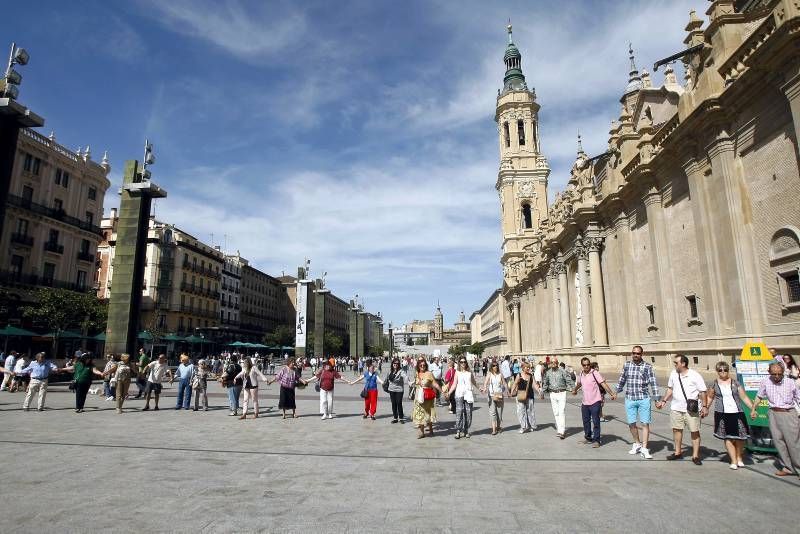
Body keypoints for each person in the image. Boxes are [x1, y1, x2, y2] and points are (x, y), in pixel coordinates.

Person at [749, 362, 800, 477]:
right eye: (774, 374)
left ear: (783, 372)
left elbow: (799, 397)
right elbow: (759, 396)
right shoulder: (765, 381)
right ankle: (788, 467)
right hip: (773, 413)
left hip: (788, 413)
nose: (777, 376)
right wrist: (753, 409)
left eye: (779, 374)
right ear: (769, 373)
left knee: (794, 443)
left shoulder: (790, 382)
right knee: (779, 442)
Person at [656, 354, 708, 465]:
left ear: (683, 364)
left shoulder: (695, 375)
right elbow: (670, 389)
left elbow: (703, 391)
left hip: (691, 409)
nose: (674, 364)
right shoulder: (673, 374)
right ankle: (678, 452)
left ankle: (695, 456)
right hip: (676, 407)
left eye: (676, 363)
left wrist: (704, 406)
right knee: (676, 430)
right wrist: (664, 400)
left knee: (694, 431)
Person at [706, 361, 754, 470]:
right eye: (720, 370)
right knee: (727, 437)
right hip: (722, 413)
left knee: (741, 437)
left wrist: (753, 408)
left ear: (728, 370)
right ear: (717, 371)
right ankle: (733, 460)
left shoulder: (736, 383)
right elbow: (710, 397)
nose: (723, 372)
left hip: (737, 412)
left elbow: (744, 397)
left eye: (725, 370)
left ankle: (739, 457)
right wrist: (705, 408)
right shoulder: (713, 384)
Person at [616, 345, 658, 459]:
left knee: (645, 423)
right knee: (631, 423)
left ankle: (644, 448)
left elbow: (653, 382)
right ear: (632, 353)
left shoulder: (647, 366)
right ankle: (637, 443)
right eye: (634, 353)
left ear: (641, 354)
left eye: (638, 353)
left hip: (643, 398)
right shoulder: (627, 365)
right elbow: (622, 379)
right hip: (630, 398)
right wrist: (616, 391)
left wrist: (657, 399)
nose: (636, 355)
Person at [572, 357, 617, 447]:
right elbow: (579, 383)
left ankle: (597, 440)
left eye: (588, 364)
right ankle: (588, 437)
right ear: (582, 366)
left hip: (595, 401)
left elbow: (603, 383)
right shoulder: (581, 373)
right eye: (584, 365)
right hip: (585, 402)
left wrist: (612, 393)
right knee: (586, 421)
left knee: (596, 421)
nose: (587, 366)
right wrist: (575, 390)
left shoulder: (594, 373)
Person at [540, 358, 575, 439]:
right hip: (552, 393)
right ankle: (559, 430)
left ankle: (562, 431)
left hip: (562, 393)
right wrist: (542, 392)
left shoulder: (562, 371)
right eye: (552, 362)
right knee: (556, 412)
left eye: (555, 362)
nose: (553, 364)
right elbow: (546, 383)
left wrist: (573, 388)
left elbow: (569, 380)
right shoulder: (548, 372)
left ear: (557, 363)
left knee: (561, 411)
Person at [412, 358, 441, 438]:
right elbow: (416, 383)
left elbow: (435, 384)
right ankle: (421, 432)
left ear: (426, 366)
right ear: (418, 365)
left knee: (428, 413)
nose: (422, 366)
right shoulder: (417, 373)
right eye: (421, 365)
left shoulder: (429, 373)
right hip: (419, 396)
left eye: (424, 365)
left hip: (427, 397)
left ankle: (430, 428)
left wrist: (442, 391)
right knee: (419, 413)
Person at [511, 361, 541, 434]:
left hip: (530, 395)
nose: (528, 368)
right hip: (520, 395)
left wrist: (539, 391)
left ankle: (531, 425)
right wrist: (512, 392)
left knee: (530, 411)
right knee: (521, 411)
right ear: (522, 368)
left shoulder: (531, 376)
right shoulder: (519, 375)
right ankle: (523, 426)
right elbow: (515, 384)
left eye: (529, 367)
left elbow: (534, 385)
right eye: (526, 367)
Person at [453, 357, 478, 439]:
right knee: (459, 412)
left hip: (468, 394)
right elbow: (454, 384)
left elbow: (473, 381)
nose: (463, 363)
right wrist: (448, 392)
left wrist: (479, 388)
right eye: (461, 362)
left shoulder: (469, 372)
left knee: (468, 413)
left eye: (464, 362)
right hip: (459, 394)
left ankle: (466, 430)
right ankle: (458, 431)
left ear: (466, 363)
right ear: (459, 363)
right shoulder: (457, 372)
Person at [481, 361, 508, 435]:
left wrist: (507, 390)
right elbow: (486, 382)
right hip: (491, 395)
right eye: (493, 366)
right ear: (491, 367)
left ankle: (498, 427)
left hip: (499, 395)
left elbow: (504, 383)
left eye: (496, 365)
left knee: (499, 413)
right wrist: (485, 388)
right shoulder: (489, 374)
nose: (495, 367)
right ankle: (494, 429)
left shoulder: (500, 374)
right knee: (493, 412)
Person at [384, 358, 407, 423]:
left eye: (397, 363)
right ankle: (395, 418)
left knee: (399, 403)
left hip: (399, 390)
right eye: (394, 363)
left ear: (399, 364)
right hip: (391, 389)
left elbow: (405, 376)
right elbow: (386, 379)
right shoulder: (390, 371)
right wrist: (383, 383)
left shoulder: (401, 371)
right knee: (393, 403)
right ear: (392, 364)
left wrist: (409, 382)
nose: (395, 365)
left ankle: (401, 418)